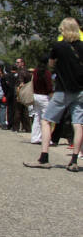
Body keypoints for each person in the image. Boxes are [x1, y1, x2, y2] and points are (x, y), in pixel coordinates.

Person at [25, 18, 83, 171]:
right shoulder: (82, 46)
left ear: (63, 30)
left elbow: (51, 64)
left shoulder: (58, 46)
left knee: (46, 120)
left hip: (63, 90)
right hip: (80, 91)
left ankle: (44, 158)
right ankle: (74, 161)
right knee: (78, 124)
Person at [30, 54, 53, 145]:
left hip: (36, 95)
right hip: (44, 97)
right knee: (46, 119)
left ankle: (35, 137)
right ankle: (47, 138)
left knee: (37, 117)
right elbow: (49, 86)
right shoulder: (47, 73)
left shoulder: (35, 71)